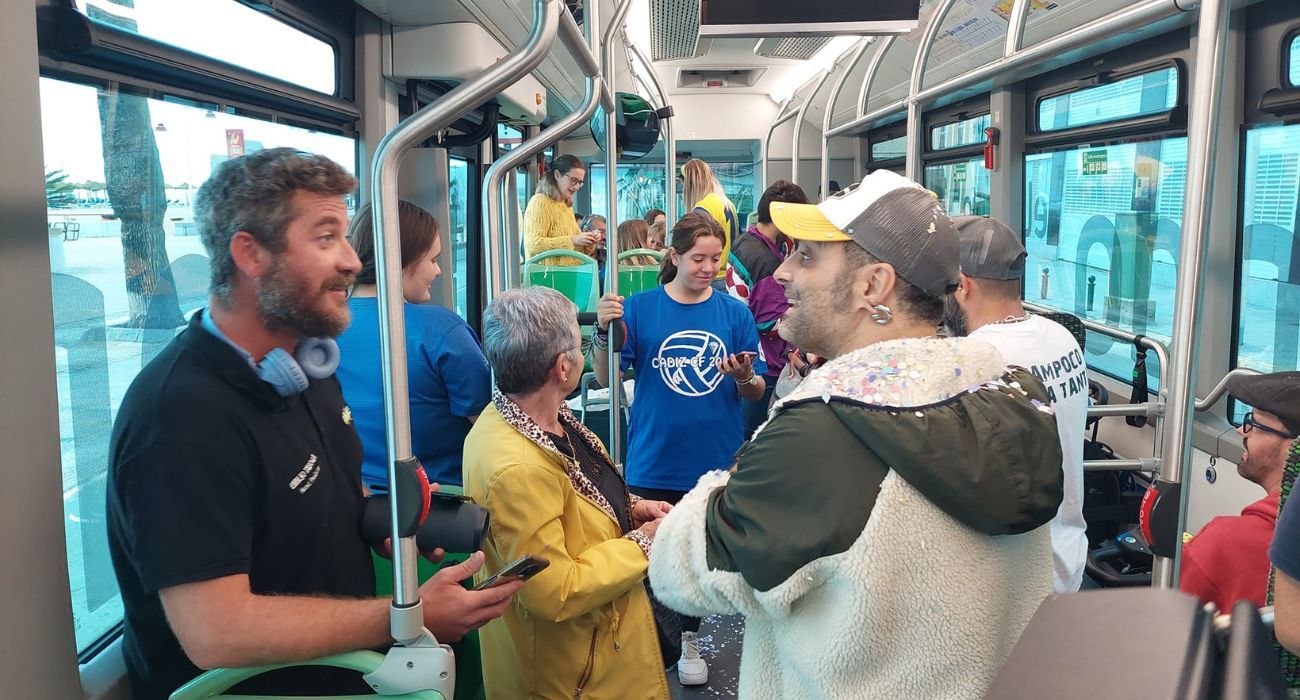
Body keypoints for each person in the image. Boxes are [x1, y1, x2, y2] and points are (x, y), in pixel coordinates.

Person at [104, 148, 521, 700]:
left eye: (346, 236)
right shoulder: (180, 417)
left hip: (339, 674)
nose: (351, 260)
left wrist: (389, 526)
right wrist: (406, 614)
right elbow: (217, 632)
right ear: (250, 254)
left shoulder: (304, 368)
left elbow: (324, 489)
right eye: (326, 238)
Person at [648, 171, 1064, 699]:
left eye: (807, 257)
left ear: (873, 285)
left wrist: (704, 501)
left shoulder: (821, 431)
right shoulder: (1007, 391)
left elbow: (684, 574)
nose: (782, 272)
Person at [463, 286, 672, 700]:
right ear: (562, 367)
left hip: (593, 648)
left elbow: (574, 500)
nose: (583, 354)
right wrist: (643, 544)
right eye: (580, 346)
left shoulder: (533, 417)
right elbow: (554, 589)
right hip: (572, 676)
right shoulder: (519, 467)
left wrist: (629, 508)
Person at [593, 211, 766, 686]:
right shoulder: (639, 308)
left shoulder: (734, 313)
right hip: (655, 454)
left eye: (716, 259)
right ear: (674, 255)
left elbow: (755, 390)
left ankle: (688, 636)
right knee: (647, 557)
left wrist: (743, 377)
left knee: (697, 558)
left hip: (713, 458)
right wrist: (603, 333)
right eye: (698, 259)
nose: (708, 268)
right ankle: (647, 642)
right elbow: (607, 376)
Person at [941, 215, 1088, 593]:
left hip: (1013, 577)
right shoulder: (1063, 337)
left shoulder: (975, 357)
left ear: (963, 285)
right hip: (1066, 560)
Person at [335, 200, 491, 489]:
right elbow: (490, 428)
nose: (438, 271)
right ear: (404, 261)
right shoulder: (442, 331)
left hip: (356, 497)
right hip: (441, 498)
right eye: (433, 260)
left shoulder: (324, 332)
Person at [1180, 372, 1299, 613]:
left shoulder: (1222, 543)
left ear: (1293, 449)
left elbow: (1169, 623)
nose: (1241, 430)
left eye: (1253, 424)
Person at [725, 179, 811, 438]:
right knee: (758, 435)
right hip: (768, 363)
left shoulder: (745, 241)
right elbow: (770, 323)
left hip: (745, 350)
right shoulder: (766, 261)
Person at [524, 154, 597, 266]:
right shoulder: (540, 202)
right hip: (547, 274)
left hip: (570, 272)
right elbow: (533, 245)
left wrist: (588, 240)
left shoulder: (566, 206)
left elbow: (577, 251)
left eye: (580, 182)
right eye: (573, 180)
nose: (577, 187)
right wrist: (573, 240)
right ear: (557, 175)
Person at [680, 158, 739, 292]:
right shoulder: (727, 204)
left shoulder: (702, 208)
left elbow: (694, 247)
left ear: (689, 185)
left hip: (710, 277)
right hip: (727, 276)